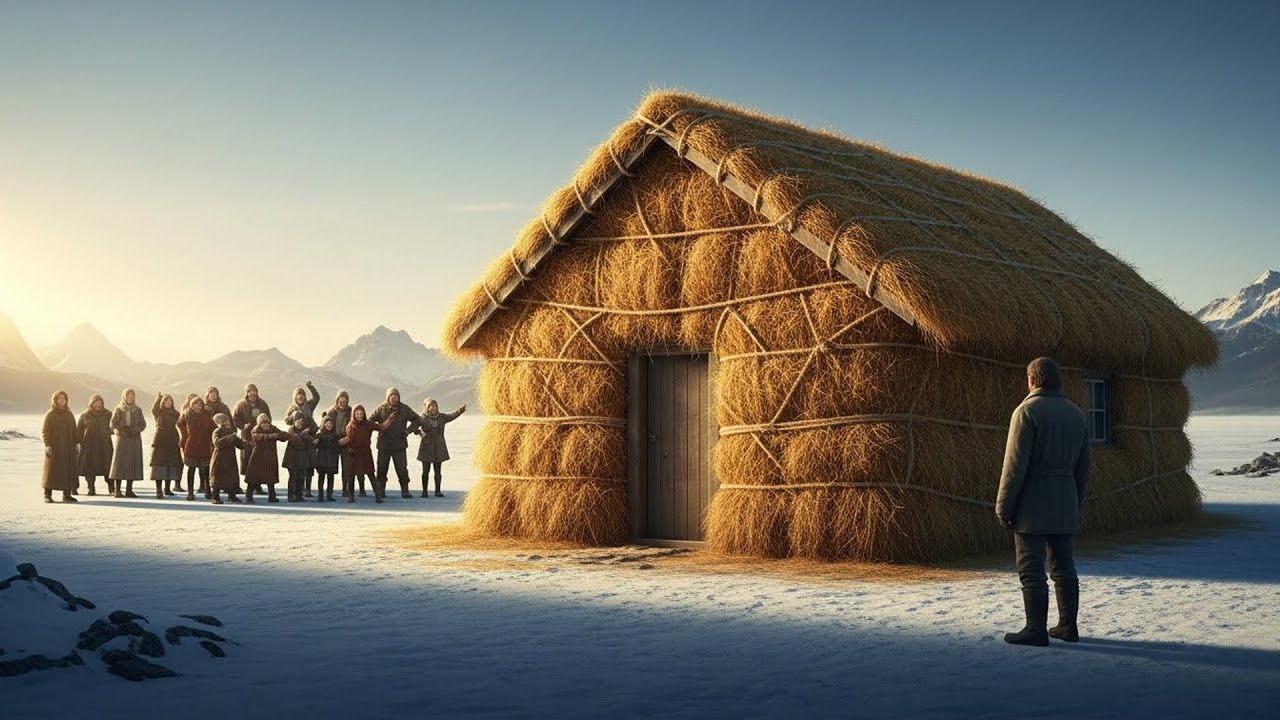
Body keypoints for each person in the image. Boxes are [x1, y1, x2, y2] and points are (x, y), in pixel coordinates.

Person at [996, 356, 1091, 647]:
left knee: (1031, 567)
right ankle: (1067, 626)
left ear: (1032, 380)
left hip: (1032, 504)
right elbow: (1083, 468)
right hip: (1065, 500)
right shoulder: (1077, 415)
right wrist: (1075, 501)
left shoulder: (1027, 412)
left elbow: (1015, 465)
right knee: (1064, 566)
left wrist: (1004, 505)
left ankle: (1035, 629)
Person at [369, 388, 420, 499]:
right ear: (387, 397)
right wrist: (377, 428)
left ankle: (405, 490)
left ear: (398, 397)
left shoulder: (405, 409)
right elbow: (369, 422)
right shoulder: (381, 409)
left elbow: (418, 420)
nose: (393, 397)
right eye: (391, 396)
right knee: (382, 469)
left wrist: (408, 431)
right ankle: (381, 490)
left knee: (402, 469)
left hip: (399, 444)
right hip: (384, 444)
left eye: (395, 395)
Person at [414, 399, 466, 498]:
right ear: (427, 407)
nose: (433, 408)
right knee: (425, 471)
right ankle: (424, 491)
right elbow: (413, 426)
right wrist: (410, 432)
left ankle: (437, 491)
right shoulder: (423, 418)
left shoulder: (442, 417)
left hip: (439, 448)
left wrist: (461, 410)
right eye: (430, 406)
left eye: (434, 406)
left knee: (438, 471)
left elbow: (452, 416)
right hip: (426, 448)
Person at [42, 391, 80, 504]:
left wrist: (77, 442)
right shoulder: (50, 414)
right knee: (51, 471)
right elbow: (45, 431)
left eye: (64, 399)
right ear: (55, 400)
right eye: (59, 398)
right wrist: (47, 445)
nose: (62, 401)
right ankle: (47, 494)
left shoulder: (69, 414)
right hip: (55, 447)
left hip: (68, 447)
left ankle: (66, 495)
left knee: (67, 470)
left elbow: (74, 430)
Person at [284, 382, 320, 497]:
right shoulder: (292, 408)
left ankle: (308, 489)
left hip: (310, 437)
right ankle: (301, 489)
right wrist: (294, 416)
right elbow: (287, 420)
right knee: (300, 464)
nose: (300, 396)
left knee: (310, 465)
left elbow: (317, 397)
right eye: (298, 395)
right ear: (295, 397)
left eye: (302, 394)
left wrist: (310, 387)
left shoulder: (309, 405)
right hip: (299, 439)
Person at [109, 388, 146, 498]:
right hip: (122, 439)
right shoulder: (118, 409)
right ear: (124, 397)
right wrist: (117, 431)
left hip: (134, 439)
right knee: (119, 465)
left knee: (132, 464)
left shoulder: (138, 410)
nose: (130, 397)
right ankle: (117, 490)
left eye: (132, 395)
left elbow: (143, 424)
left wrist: (137, 429)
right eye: (128, 395)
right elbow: (112, 424)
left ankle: (129, 490)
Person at [343, 405, 384, 503]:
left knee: (371, 474)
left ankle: (378, 496)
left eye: (361, 414)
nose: (359, 415)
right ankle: (351, 496)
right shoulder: (350, 426)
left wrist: (390, 419)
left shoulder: (368, 424)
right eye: (357, 414)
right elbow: (347, 440)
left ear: (364, 414)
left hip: (365, 453)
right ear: (354, 414)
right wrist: (341, 442)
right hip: (353, 453)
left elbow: (381, 427)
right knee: (351, 475)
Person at [178, 396, 216, 501]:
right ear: (191, 405)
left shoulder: (207, 415)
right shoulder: (186, 414)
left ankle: (208, 491)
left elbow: (212, 428)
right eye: (195, 405)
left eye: (199, 405)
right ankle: (190, 493)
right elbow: (180, 424)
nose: (197, 407)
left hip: (204, 444)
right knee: (191, 469)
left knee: (206, 469)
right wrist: (186, 436)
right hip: (191, 444)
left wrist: (211, 441)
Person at [246, 413, 288, 504]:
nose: (265, 425)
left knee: (271, 478)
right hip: (258, 457)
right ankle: (248, 496)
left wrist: (285, 435)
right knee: (253, 478)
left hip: (270, 458)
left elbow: (282, 436)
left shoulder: (273, 428)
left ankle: (272, 496)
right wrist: (270, 436)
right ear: (259, 424)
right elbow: (257, 437)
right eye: (263, 423)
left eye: (266, 423)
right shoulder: (255, 430)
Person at [77, 394, 114, 496]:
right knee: (90, 468)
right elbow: (79, 430)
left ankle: (111, 488)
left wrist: (111, 431)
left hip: (105, 445)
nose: (97, 405)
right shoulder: (85, 415)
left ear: (102, 403)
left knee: (108, 466)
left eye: (99, 403)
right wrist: (78, 443)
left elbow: (114, 426)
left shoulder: (108, 414)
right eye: (95, 403)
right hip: (90, 445)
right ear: (91, 404)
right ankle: (91, 488)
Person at [232, 384, 270, 478]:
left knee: (260, 459)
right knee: (248, 458)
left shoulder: (262, 404)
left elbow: (268, 417)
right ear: (247, 393)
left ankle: (258, 484)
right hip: (247, 435)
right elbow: (235, 419)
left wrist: (265, 427)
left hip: (260, 435)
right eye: (250, 391)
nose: (252, 393)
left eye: (254, 391)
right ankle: (250, 484)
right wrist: (243, 425)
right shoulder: (240, 404)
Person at [150, 393, 183, 499]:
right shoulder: (159, 413)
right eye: (165, 401)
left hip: (172, 439)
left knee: (170, 464)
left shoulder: (176, 413)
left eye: (169, 401)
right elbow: (153, 409)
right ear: (162, 403)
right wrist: (158, 398)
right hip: (160, 439)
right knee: (159, 465)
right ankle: (158, 490)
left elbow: (182, 423)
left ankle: (167, 489)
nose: (167, 403)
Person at [322, 390, 354, 495]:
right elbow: (324, 425)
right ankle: (329, 491)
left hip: (346, 441)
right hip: (333, 442)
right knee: (330, 467)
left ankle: (346, 489)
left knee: (346, 467)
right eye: (340, 401)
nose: (342, 403)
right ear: (337, 400)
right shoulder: (331, 411)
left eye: (344, 401)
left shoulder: (351, 411)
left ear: (347, 401)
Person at [209, 413, 244, 504]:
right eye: (226, 421)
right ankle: (215, 496)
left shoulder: (231, 431)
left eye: (228, 420)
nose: (228, 422)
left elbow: (239, 443)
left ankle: (232, 496)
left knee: (231, 476)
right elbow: (217, 443)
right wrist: (229, 438)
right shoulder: (217, 431)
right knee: (217, 477)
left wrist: (246, 444)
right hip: (219, 458)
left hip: (230, 458)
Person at [281, 415, 315, 502]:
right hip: (291, 459)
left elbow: (310, 439)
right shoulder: (291, 430)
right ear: (294, 422)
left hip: (302, 458)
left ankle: (299, 496)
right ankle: (291, 496)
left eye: (301, 422)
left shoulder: (305, 432)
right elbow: (294, 438)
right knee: (293, 477)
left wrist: (313, 439)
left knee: (301, 477)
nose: (300, 424)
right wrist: (303, 434)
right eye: (298, 422)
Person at [174, 393, 199, 492]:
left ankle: (201, 485)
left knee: (197, 463)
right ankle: (177, 484)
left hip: (194, 441)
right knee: (182, 463)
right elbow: (180, 425)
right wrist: (185, 435)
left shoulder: (199, 412)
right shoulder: (185, 412)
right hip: (184, 440)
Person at [313, 415, 341, 503]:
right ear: (324, 424)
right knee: (321, 478)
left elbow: (338, 446)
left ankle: (329, 495)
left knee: (330, 478)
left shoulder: (336, 435)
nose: (329, 425)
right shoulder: (319, 435)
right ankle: (320, 496)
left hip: (332, 459)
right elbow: (314, 445)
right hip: (321, 459)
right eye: (327, 423)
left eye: (330, 424)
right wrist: (315, 442)